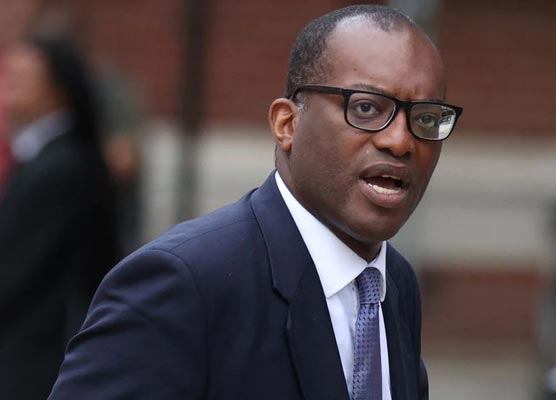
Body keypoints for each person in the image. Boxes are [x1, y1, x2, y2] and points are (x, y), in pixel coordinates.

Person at [49, 5, 462, 400]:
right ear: (288, 124)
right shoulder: (185, 283)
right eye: (367, 108)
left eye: (425, 119)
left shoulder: (393, 284)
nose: (401, 140)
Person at [0, 33, 118, 400]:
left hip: (39, 360)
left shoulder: (64, 166)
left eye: (22, 75)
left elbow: (15, 270)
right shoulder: (40, 157)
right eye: (7, 72)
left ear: (58, 88)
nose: (8, 83)